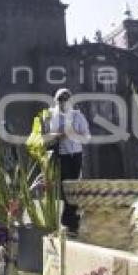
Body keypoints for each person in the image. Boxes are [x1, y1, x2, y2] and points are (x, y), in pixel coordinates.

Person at [44, 88, 91, 231]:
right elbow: (47, 137)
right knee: (65, 187)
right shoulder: (52, 116)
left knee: (75, 186)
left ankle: (71, 220)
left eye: (65, 100)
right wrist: (58, 135)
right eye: (60, 100)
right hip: (61, 155)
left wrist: (74, 135)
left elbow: (87, 137)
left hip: (75, 154)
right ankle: (68, 219)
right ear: (56, 101)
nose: (63, 102)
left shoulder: (78, 116)